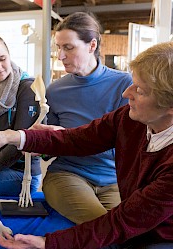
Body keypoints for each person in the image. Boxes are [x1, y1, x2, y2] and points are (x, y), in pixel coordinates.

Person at [0, 41, 173, 249]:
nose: (126, 94)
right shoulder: (129, 118)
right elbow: (78, 138)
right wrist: (12, 137)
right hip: (75, 179)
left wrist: (48, 243)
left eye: (140, 90)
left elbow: (123, 221)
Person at [43, 12, 132, 224]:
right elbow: (49, 151)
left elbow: (127, 144)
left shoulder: (124, 85)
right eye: (58, 48)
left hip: (113, 180)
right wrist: (41, 145)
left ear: (92, 45)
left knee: (129, 230)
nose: (60, 56)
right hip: (67, 174)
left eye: (68, 47)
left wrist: (67, 136)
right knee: (103, 226)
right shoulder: (54, 91)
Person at [0, 33, 41, 196]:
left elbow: (19, 144)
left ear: (9, 56)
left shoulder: (27, 87)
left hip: (22, 172)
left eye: (2, 59)